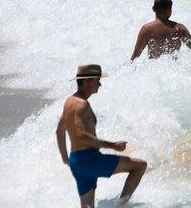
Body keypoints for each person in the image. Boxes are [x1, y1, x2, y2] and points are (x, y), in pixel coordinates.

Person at [55, 64, 148, 207]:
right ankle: (121, 206)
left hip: (76, 161)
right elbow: (81, 136)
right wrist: (113, 146)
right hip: (89, 160)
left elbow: (59, 131)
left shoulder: (69, 101)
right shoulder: (82, 105)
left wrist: (66, 159)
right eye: (97, 80)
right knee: (140, 166)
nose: (100, 84)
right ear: (87, 82)